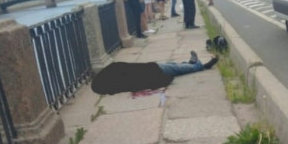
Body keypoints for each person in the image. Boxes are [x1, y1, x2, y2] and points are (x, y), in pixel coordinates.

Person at [91, 51, 219, 95]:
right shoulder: (119, 73)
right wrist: (165, 80)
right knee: (176, 68)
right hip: (156, 70)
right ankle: (200, 66)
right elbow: (145, 83)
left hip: (154, 67)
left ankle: (191, 63)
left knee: (174, 65)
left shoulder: (120, 81)